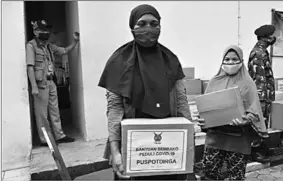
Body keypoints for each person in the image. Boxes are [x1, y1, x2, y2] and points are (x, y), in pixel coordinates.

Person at [98, 4, 195, 180]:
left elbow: (181, 101)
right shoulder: (119, 61)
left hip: (168, 146)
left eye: (154, 23)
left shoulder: (170, 60)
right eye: (141, 24)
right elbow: (114, 109)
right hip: (133, 146)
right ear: (132, 27)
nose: (148, 29)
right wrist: (115, 149)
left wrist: (189, 142)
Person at [198, 45, 268, 180]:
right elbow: (205, 107)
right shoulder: (213, 82)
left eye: (235, 59)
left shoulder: (248, 84)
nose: (230, 63)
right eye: (227, 59)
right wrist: (202, 119)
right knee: (209, 176)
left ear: (241, 61)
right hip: (215, 139)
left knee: (235, 177)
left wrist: (246, 119)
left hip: (238, 141)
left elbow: (255, 112)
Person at [26, 20, 79, 146]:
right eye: (42, 30)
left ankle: (59, 135)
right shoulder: (31, 46)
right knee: (42, 114)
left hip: (51, 83)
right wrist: (33, 86)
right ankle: (46, 139)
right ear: (35, 31)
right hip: (40, 85)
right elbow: (30, 67)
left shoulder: (49, 46)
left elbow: (64, 51)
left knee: (55, 110)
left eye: (46, 30)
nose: (45, 33)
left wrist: (75, 42)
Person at [248, 24, 277, 162]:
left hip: (265, 96)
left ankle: (262, 147)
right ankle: (255, 151)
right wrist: (261, 100)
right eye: (271, 36)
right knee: (258, 122)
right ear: (265, 38)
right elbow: (257, 79)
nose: (273, 38)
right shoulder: (258, 53)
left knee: (263, 122)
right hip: (260, 97)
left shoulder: (262, 51)